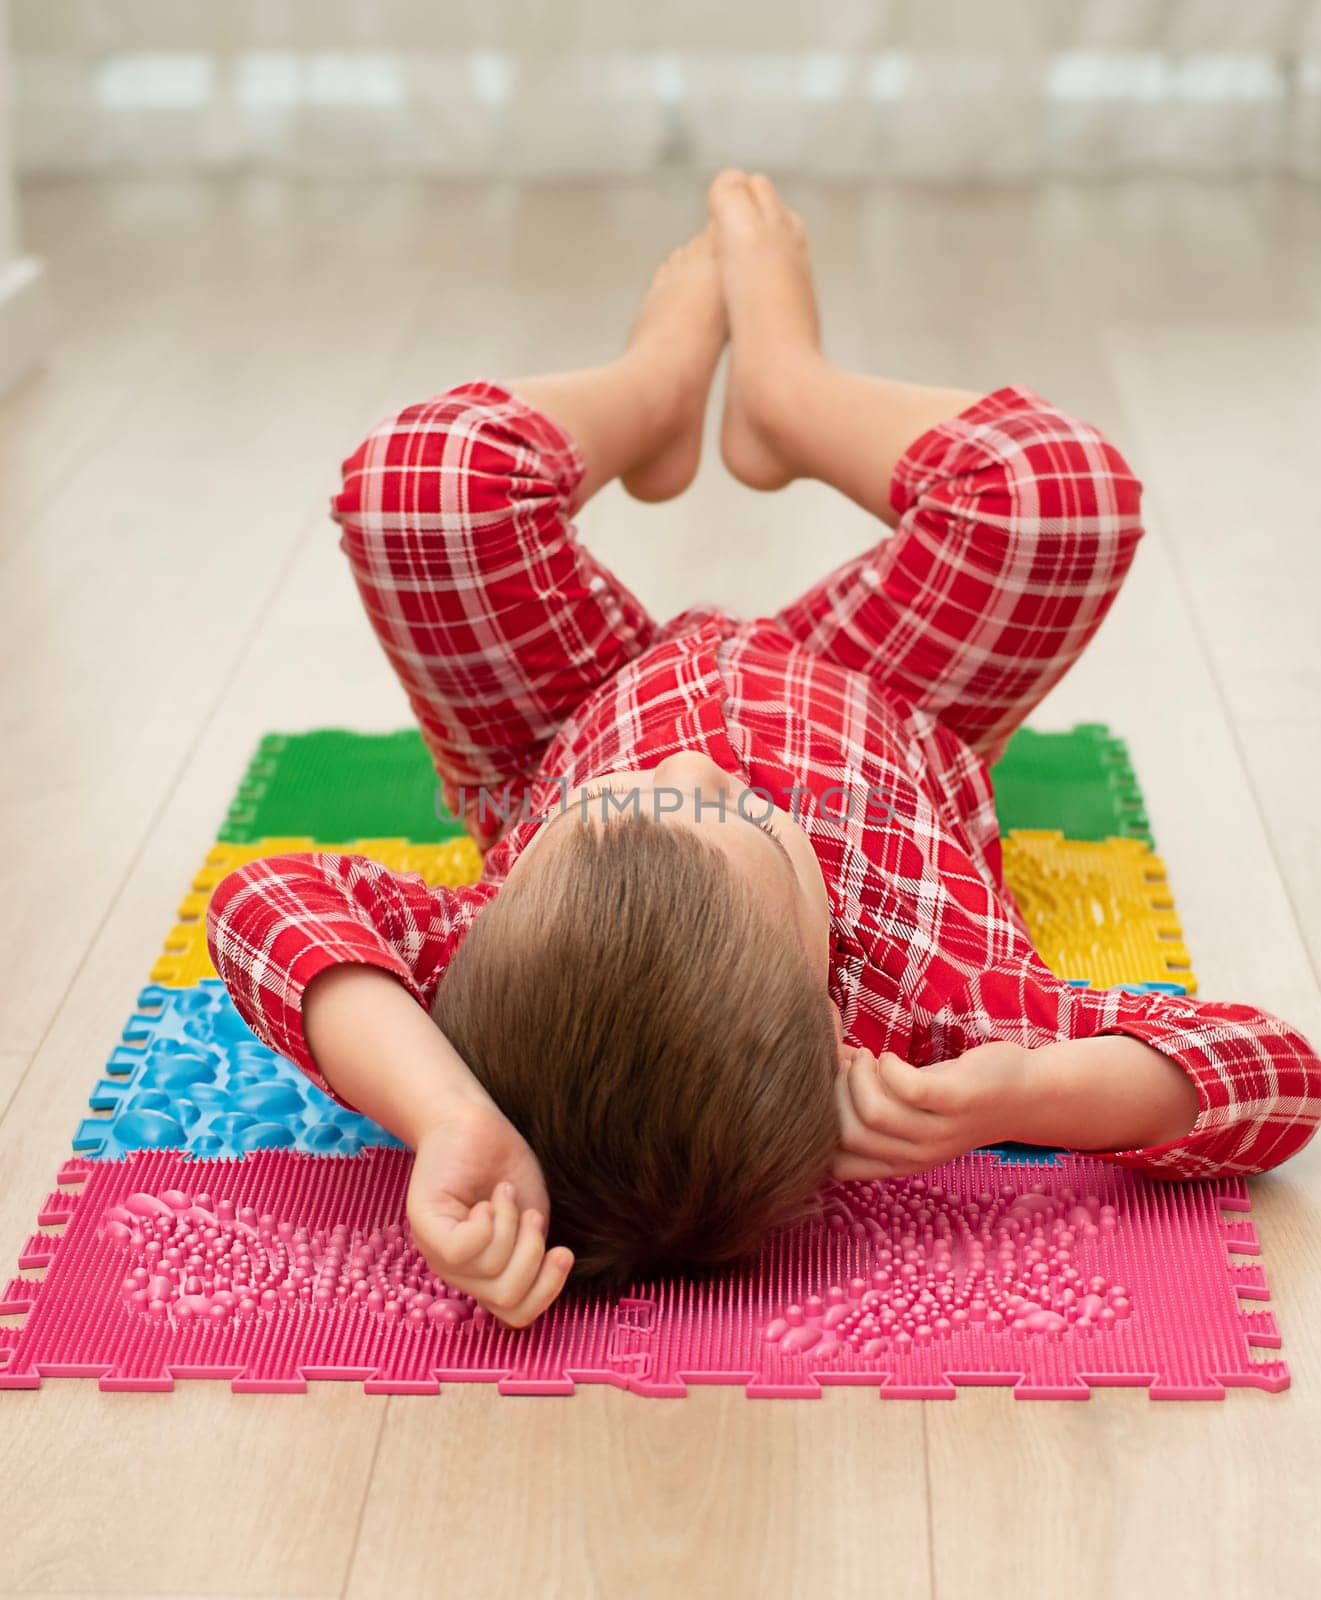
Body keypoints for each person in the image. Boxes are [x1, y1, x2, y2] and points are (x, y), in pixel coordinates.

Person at [206, 171, 1321, 1330]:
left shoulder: (492, 992)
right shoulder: (936, 1015)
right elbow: (1280, 1078)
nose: (691, 767)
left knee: (417, 485)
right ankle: (792, 391)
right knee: (1063, 494)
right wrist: (1036, 1089)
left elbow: (264, 903)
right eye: (741, 821)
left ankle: (653, 390)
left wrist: (444, 1109)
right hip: (883, 700)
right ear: (832, 1016)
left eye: (615, 804)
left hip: (571, 708)